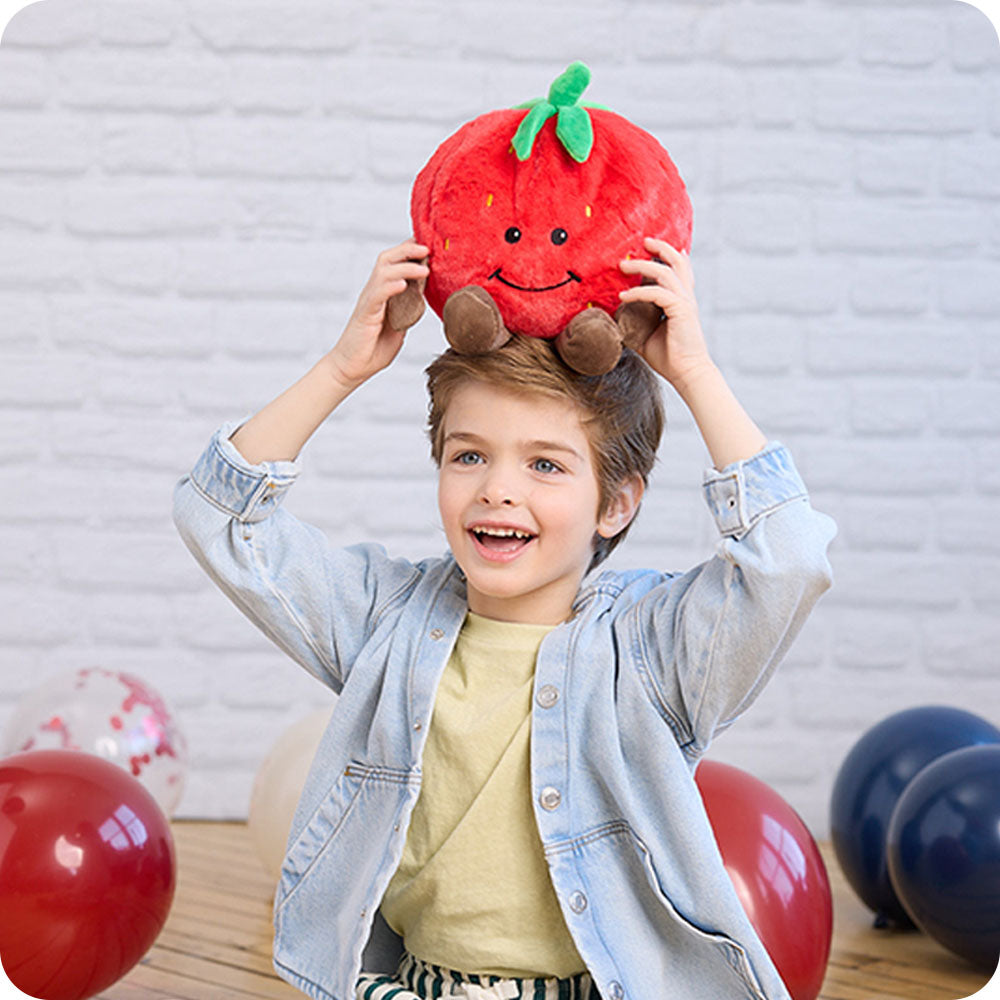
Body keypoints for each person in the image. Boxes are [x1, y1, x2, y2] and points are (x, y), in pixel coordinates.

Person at [173, 236, 836, 1000]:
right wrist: (342, 367)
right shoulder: (383, 620)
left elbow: (789, 558)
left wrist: (692, 370)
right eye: (469, 455)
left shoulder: (649, 655)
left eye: (546, 464)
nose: (497, 489)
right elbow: (218, 513)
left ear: (615, 503)